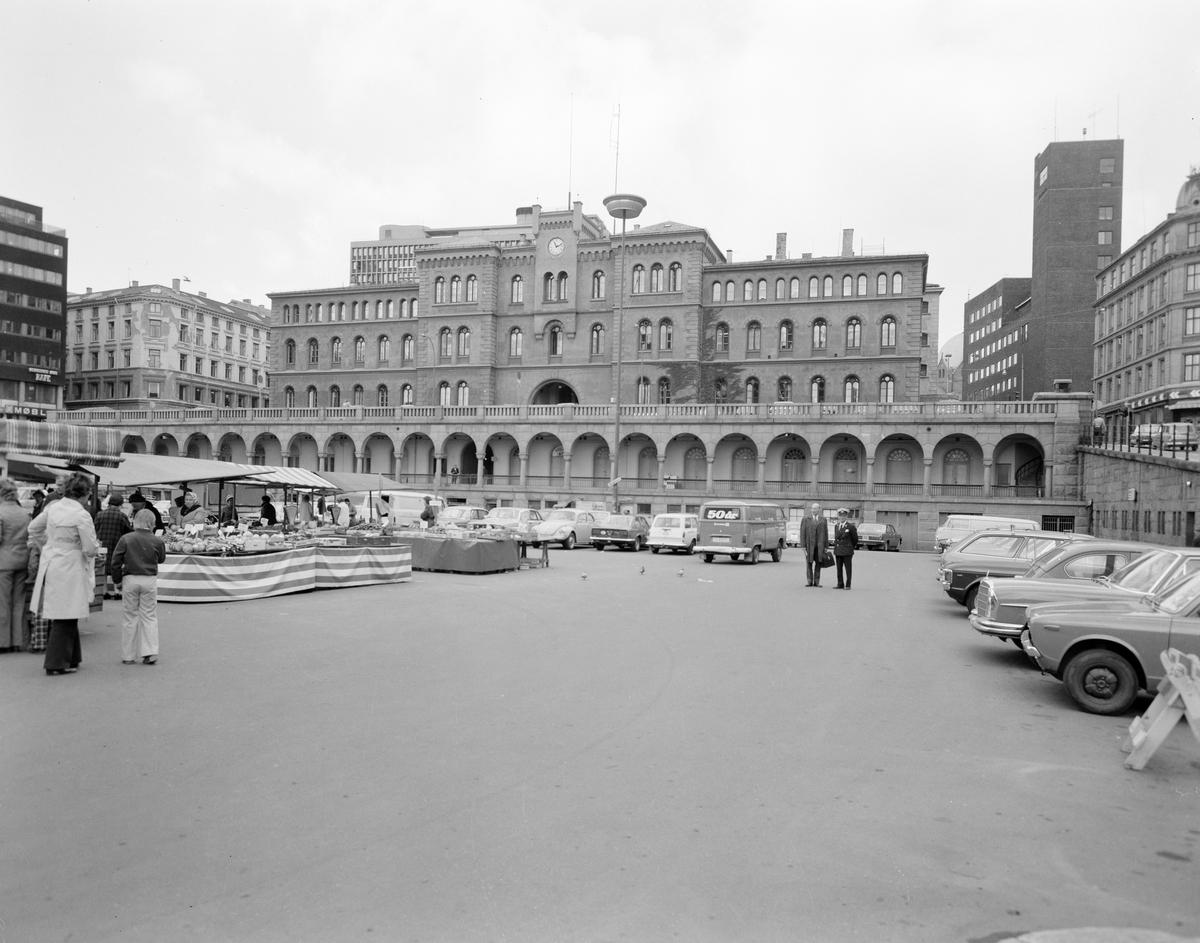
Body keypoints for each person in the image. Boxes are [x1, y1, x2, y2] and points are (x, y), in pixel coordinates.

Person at [28, 471, 99, 676]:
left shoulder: (52, 508)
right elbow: (91, 547)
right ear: (85, 493)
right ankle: (56, 662)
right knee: (67, 612)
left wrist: (49, 544)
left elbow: (33, 528)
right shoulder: (81, 514)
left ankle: (72, 657)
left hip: (52, 561)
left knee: (67, 609)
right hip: (71, 564)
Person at [111, 509, 167, 665]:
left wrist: (117, 580)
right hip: (149, 579)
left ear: (135, 521)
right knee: (149, 616)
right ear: (152, 523)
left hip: (130, 578)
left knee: (130, 617)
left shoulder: (126, 538)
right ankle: (150, 652)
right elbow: (161, 559)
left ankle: (128, 655)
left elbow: (115, 561)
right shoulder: (157, 540)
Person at [0, 478, 30, 652]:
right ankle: (19, 640)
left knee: (3, 602)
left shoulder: (1, 512)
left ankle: (3, 642)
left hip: (3, 562)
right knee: (19, 602)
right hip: (22, 560)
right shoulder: (23, 513)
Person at [94, 493, 133, 599]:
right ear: (120, 505)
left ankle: (104, 591)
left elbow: (95, 529)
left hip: (102, 545)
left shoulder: (100, 515)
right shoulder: (122, 516)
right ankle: (117, 591)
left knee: (103, 568)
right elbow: (128, 531)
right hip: (117, 545)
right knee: (116, 567)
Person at [799, 502, 829, 588]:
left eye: (815, 508)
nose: (814, 510)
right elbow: (802, 533)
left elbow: (826, 533)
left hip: (820, 546)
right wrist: (803, 545)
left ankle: (817, 581)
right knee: (809, 563)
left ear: (819, 509)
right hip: (809, 545)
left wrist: (826, 546)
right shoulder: (806, 519)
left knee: (819, 563)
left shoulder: (823, 519)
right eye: (812, 508)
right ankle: (809, 581)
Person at [832, 508, 858, 591]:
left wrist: (850, 547)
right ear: (838, 516)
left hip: (847, 550)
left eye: (843, 516)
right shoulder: (836, 526)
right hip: (838, 550)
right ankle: (840, 583)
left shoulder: (850, 526)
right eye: (840, 516)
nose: (841, 517)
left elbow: (855, 539)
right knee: (839, 568)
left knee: (848, 568)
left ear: (846, 516)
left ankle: (848, 584)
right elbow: (836, 538)